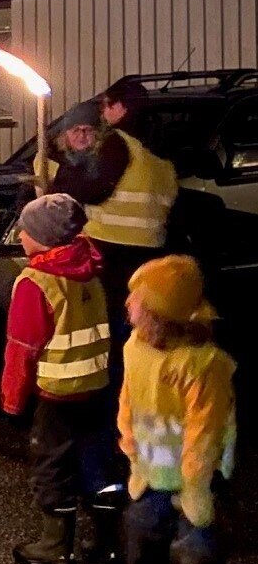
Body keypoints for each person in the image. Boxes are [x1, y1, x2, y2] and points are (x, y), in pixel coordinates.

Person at [109, 256, 235, 564]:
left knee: (195, 543)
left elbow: (205, 428)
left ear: (157, 312)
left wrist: (196, 486)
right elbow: (128, 400)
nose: (128, 304)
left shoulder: (203, 364)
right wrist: (131, 451)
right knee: (143, 528)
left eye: (137, 299)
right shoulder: (136, 347)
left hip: (196, 473)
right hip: (151, 468)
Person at [0, 194, 120, 564]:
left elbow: (22, 349)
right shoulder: (93, 267)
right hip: (97, 386)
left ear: (45, 239)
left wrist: (12, 402)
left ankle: (56, 544)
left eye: (27, 230)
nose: (20, 235)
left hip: (56, 393)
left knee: (52, 463)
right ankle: (109, 542)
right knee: (100, 460)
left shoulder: (36, 282)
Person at [51, 96, 178, 400]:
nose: (102, 112)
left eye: (107, 104)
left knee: (109, 321)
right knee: (137, 320)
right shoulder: (160, 157)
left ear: (121, 107)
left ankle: (113, 387)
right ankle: (140, 382)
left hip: (110, 247)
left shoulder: (117, 143)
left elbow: (94, 189)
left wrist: (63, 182)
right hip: (149, 248)